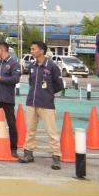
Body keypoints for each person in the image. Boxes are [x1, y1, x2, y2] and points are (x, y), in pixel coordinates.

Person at [20, 41, 63, 169]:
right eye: (31, 49)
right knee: (30, 130)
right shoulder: (32, 66)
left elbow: (59, 85)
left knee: (52, 132)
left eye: (33, 49)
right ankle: (28, 153)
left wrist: (48, 93)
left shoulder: (52, 66)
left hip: (46, 104)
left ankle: (56, 157)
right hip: (31, 103)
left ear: (41, 51)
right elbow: (31, 83)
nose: (31, 51)